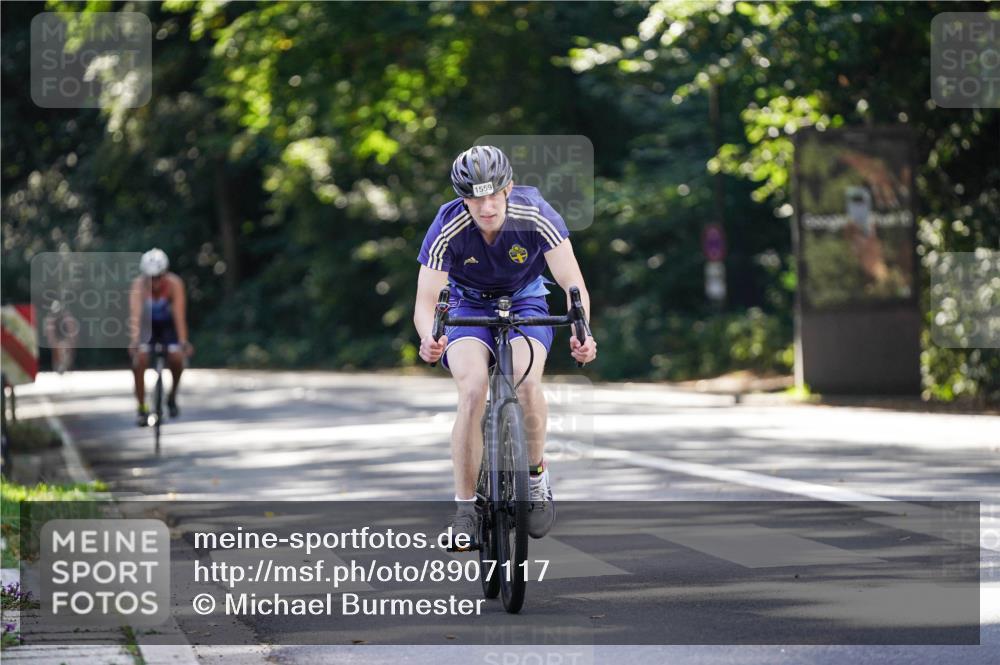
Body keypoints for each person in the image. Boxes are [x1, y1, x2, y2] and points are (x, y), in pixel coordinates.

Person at [413, 146, 597, 550]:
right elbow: (426, 303)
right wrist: (430, 336)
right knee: (473, 388)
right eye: (475, 198)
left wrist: (582, 333)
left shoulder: (536, 214)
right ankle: (465, 512)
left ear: (508, 188)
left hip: (525, 299)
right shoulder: (448, 225)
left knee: (526, 381)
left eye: (493, 194)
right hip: (466, 304)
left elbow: (572, 285)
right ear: (463, 199)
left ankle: (534, 478)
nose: (486, 205)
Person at [128, 248, 193, 426]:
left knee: (177, 358)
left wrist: (183, 341)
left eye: (158, 277)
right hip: (146, 327)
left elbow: (179, 315)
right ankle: (141, 407)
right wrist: (134, 341)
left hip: (167, 327)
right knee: (139, 361)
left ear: (165, 273)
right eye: (150, 278)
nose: (155, 282)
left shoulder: (174, 284)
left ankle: (171, 397)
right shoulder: (138, 286)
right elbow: (135, 315)